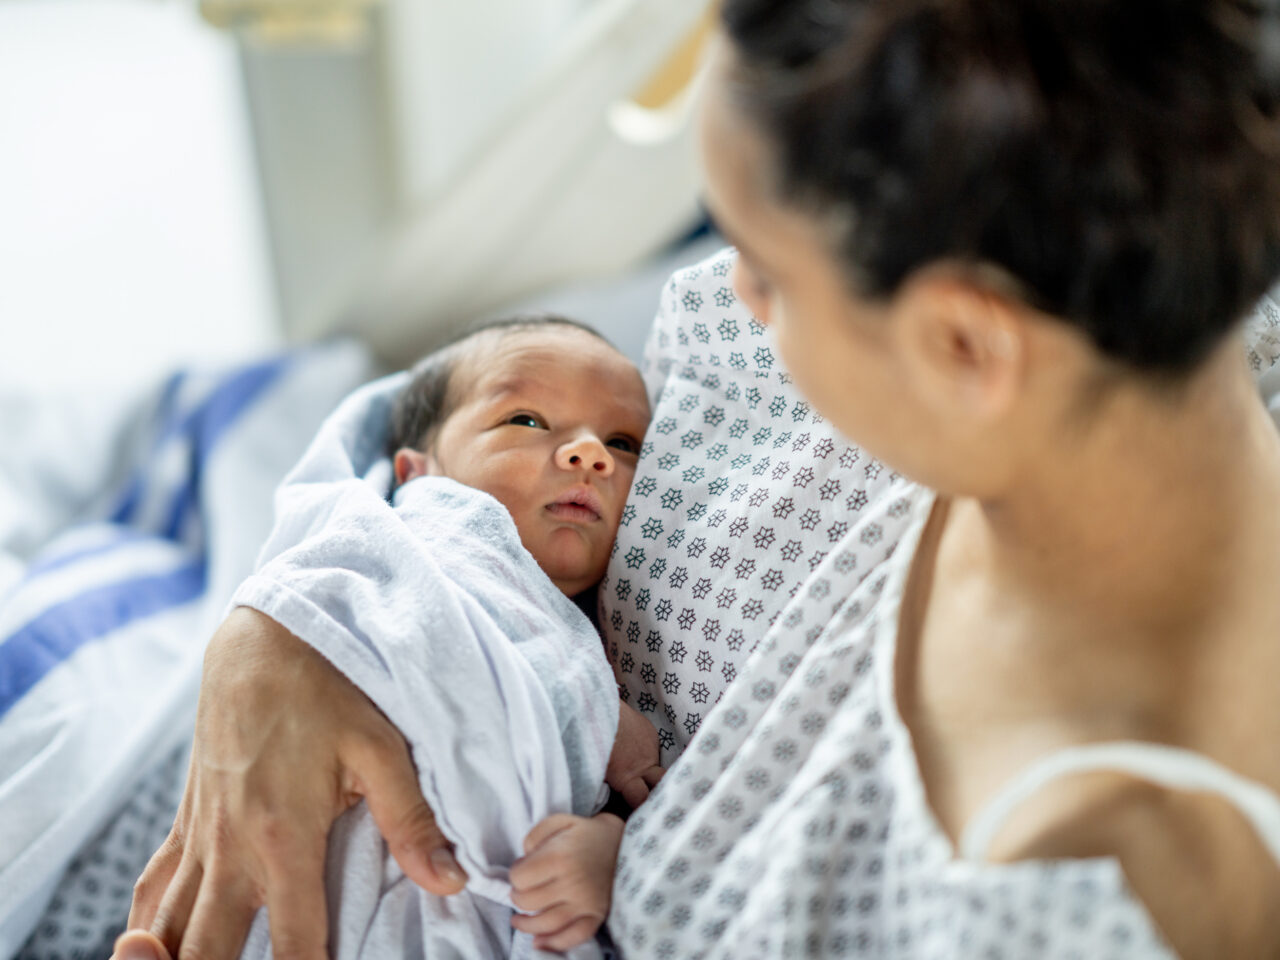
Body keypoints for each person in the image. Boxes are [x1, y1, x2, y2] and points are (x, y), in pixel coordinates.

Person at [116, 0, 1280, 957]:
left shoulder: (1057, 884)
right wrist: (288, 619)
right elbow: (469, 394)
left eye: (765, 269)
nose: (716, 299)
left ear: (962, 347)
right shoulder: (1115, 308)